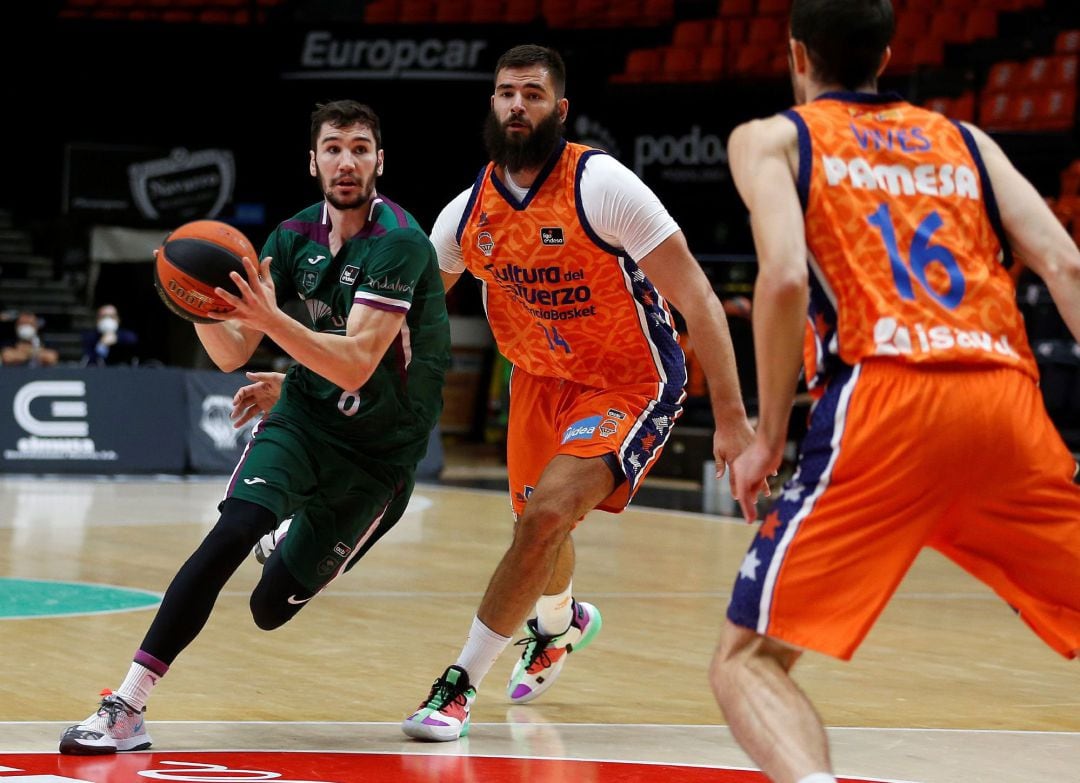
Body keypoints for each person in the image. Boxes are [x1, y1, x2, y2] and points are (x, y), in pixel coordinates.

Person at [710, 2, 1080, 782]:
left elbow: (779, 277)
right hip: (1004, 400)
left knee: (746, 659)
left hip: (883, 403)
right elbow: (1066, 266)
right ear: (885, 54)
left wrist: (769, 435)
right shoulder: (966, 140)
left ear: (797, 54)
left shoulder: (772, 136)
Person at [58, 99, 450, 755]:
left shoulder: (401, 245)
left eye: (360, 147)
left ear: (380, 161)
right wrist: (197, 300)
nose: (346, 160)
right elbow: (234, 351)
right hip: (307, 424)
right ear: (312, 160)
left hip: (378, 460)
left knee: (269, 609)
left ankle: (296, 533)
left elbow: (356, 362)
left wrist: (281, 339)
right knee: (234, 527)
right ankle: (127, 705)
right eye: (333, 147)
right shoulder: (291, 237)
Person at [399, 44, 754, 742]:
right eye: (505, 93)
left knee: (546, 515)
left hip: (630, 378)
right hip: (537, 379)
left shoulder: (603, 187)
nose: (516, 105)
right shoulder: (466, 215)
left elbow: (701, 300)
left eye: (532, 94)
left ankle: (458, 684)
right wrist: (310, 379)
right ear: (492, 105)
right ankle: (560, 625)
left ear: (559, 109)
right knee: (537, 527)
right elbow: (408, 316)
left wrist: (735, 421)